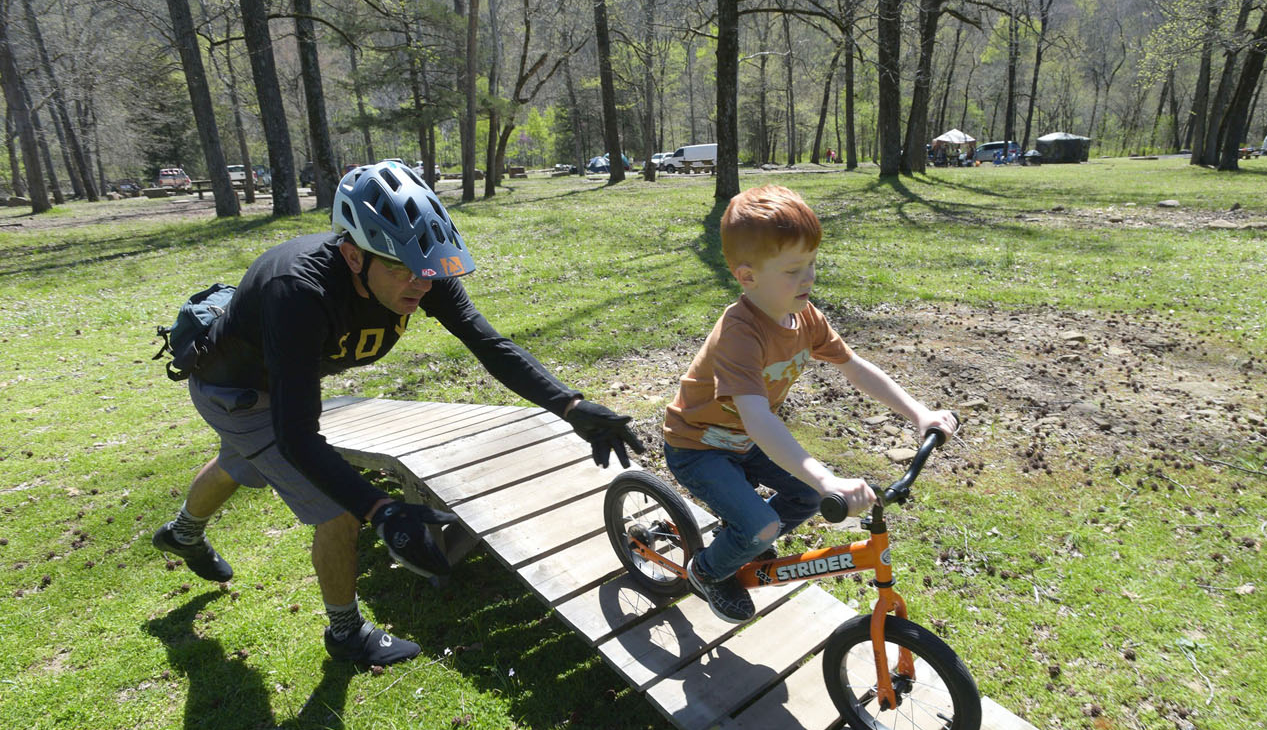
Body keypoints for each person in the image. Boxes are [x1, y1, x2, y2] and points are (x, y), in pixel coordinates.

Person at [152, 160, 642, 666]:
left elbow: (488, 343)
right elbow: (296, 434)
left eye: (426, 271)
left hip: (279, 379)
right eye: (400, 271)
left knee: (243, 459)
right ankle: (347, 634)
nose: (419, 285)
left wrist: (571, 404)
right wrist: (379, 510)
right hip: (235, 391)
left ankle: (182, 533)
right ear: (352, 255)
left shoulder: (419, 266)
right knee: (338, 508)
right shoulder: (297, 290)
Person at [661, 185, 958, 622]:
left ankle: (744, 535)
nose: (809, 278)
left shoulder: (804, 315)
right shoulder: (740, 334)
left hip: (743, 440)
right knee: (763, 524)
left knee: (801, 500)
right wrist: (826, 477)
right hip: (698, 446)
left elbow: (854, 367)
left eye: (812, 264)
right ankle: (707, 572)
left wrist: (919, 413)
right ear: (747, 277)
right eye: (794, 269)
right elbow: (758, 418)